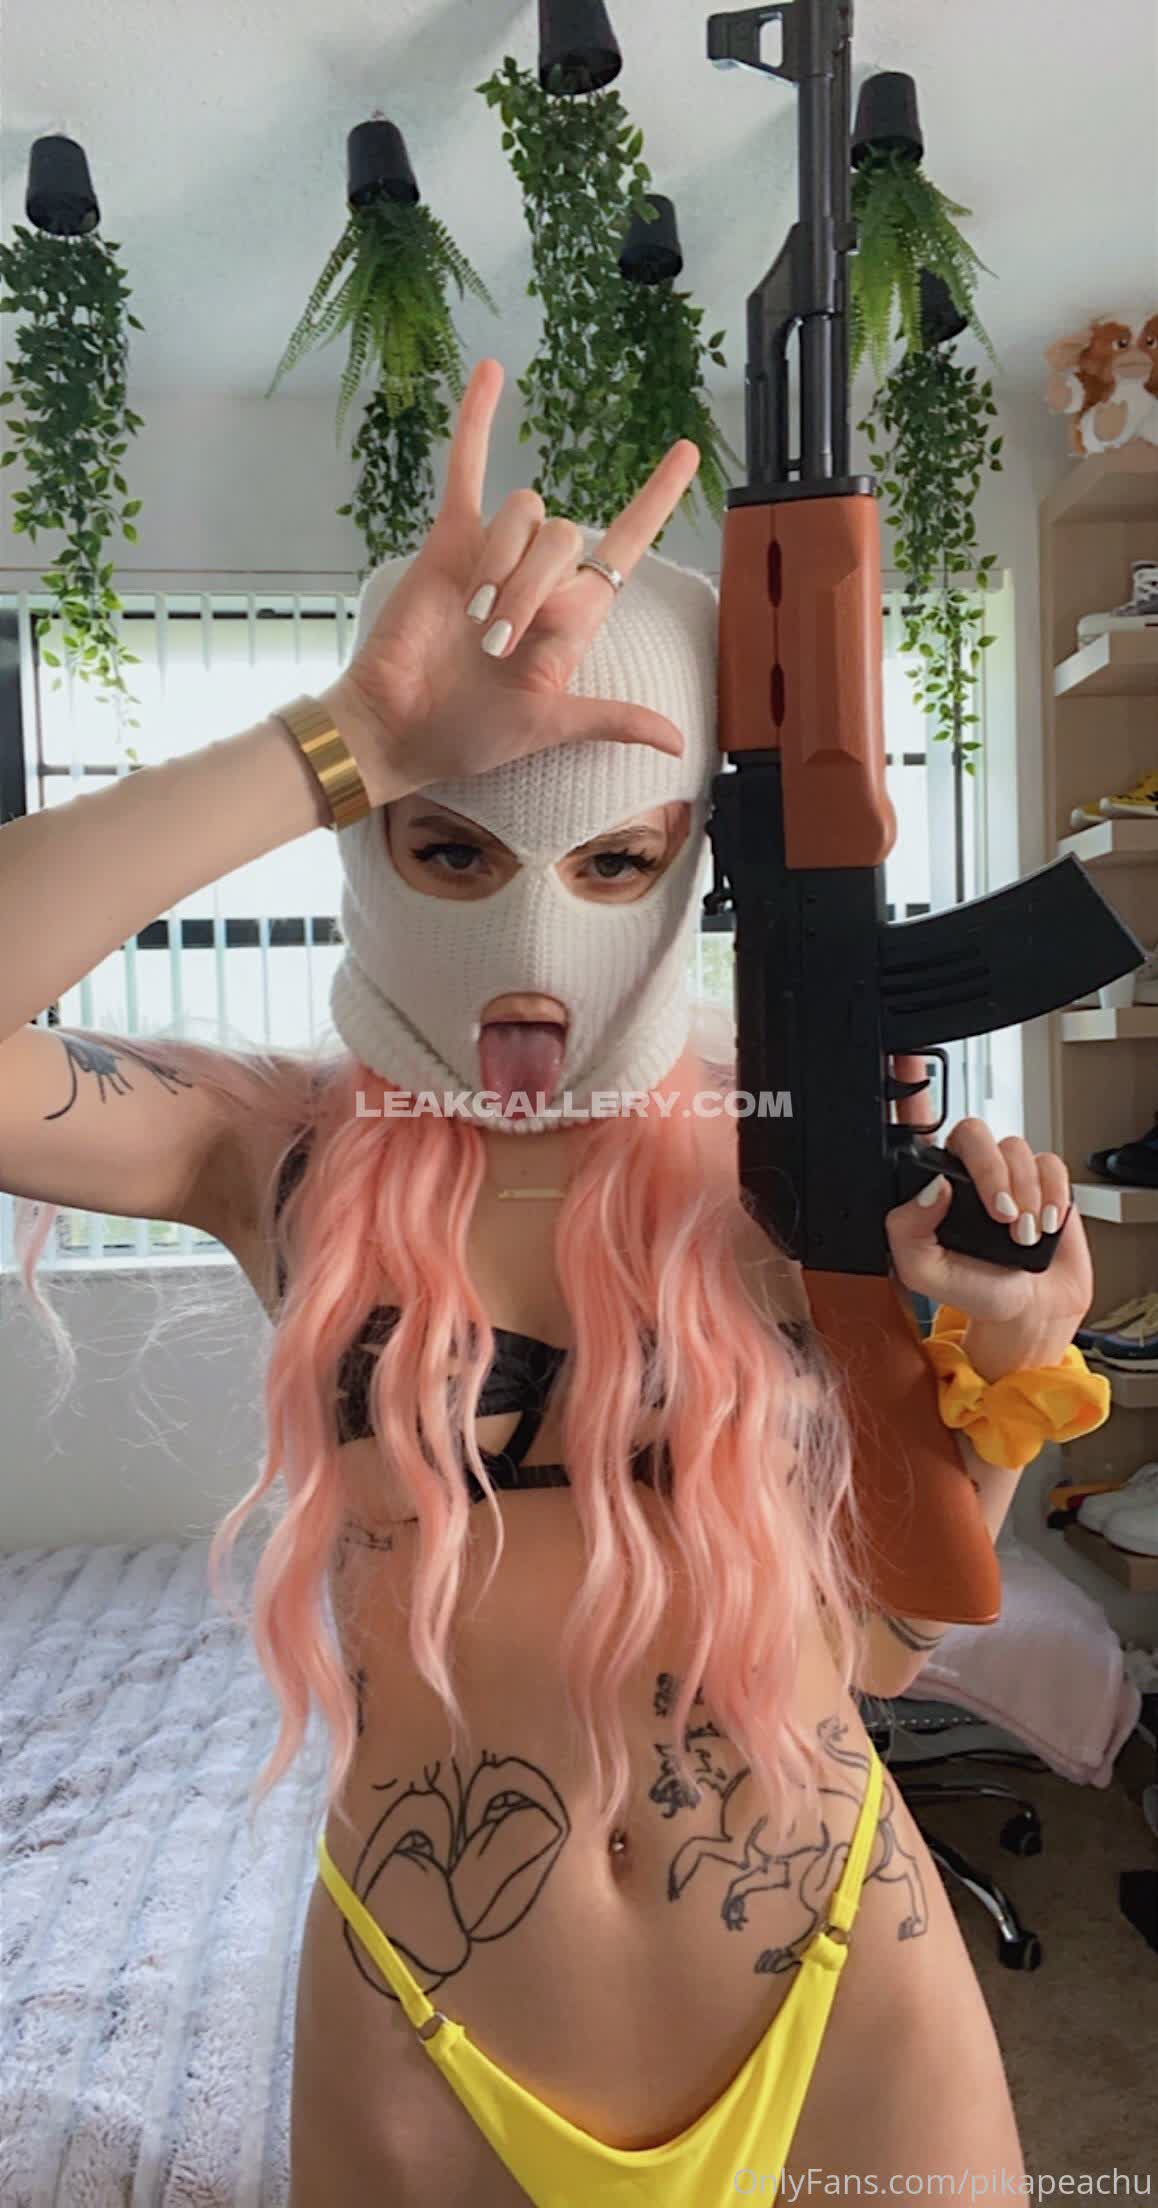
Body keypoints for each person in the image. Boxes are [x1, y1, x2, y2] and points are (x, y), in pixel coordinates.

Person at [0, 356, 1100, 2207]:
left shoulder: (789, 1149)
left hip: (840, 2003)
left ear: (688, 868)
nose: (531, 940)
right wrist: (344, 735)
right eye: (447, 844)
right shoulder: (270, 1149)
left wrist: (997, 1358)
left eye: (616, 859)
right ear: (375, 841)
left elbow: (881, 1642)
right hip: (424, 2042)